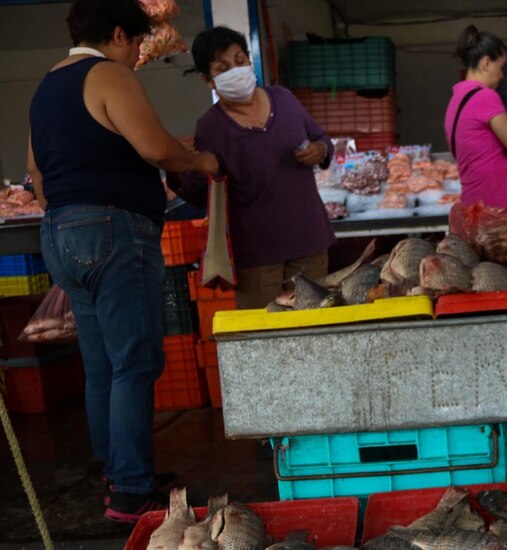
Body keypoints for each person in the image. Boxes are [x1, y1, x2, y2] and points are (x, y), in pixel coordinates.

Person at [26, 0, 219, 522]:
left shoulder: (46, 86)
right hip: (112, 230)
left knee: (103, 366)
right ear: (115, 34)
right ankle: (133, 491)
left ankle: (120, 473)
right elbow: (155, 148)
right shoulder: (106, 73)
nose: (137, 53)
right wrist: (201, 160)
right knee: (135, 362)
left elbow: (36, 174)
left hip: (60, 231)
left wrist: (70, 215)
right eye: (135, 42)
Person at [171, 26, 336, 309]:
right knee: (266, 337)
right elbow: (201, 195)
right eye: (223, 68)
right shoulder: (211, 127)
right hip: (257, 258)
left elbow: (322, 140)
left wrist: (319, 151)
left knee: (316, 332)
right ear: (208, 80)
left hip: (309, 240)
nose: (236, 70)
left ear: (250, 60)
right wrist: (177, 165)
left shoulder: (283, 99)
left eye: (240, 60)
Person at [445, 25, 507, 213]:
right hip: (498, 204)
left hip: (474, 203)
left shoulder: (456, 100)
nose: (502, 76)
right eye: (501, 67)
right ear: (486, 63)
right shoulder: (485, 97)